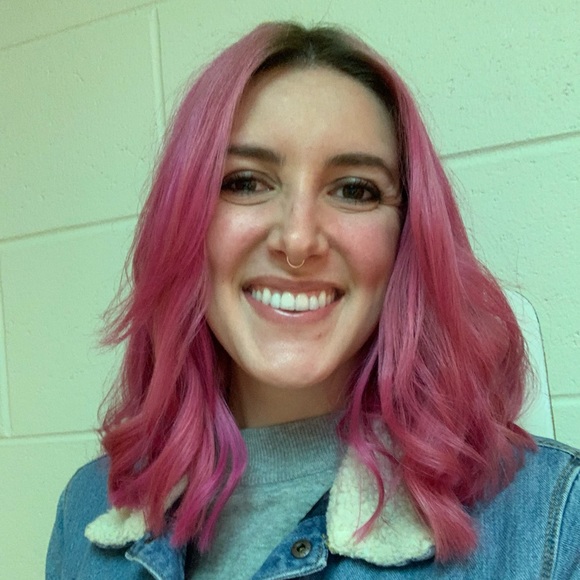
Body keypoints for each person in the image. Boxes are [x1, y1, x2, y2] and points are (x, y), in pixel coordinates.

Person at [46, 22, 579, 579]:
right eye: (245, 182)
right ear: (183, 222)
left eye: (354, 190)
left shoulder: (551, 521)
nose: (298, 240)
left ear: (407, 238)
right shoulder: (85, 510)